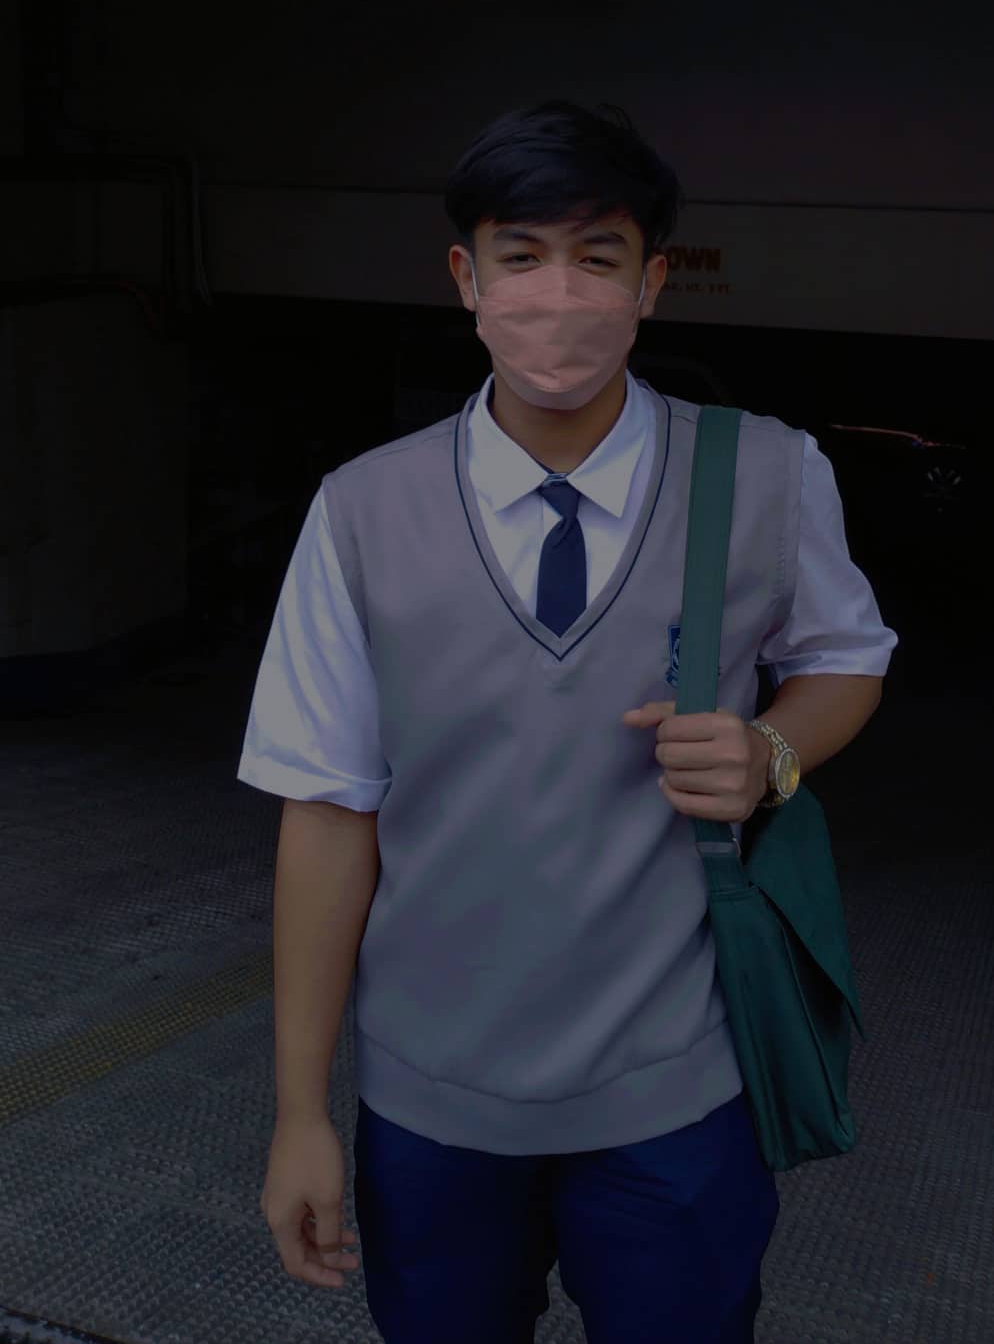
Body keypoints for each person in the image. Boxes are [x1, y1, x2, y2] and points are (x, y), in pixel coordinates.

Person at [238, 97, 897, 1344]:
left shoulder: (765, 471)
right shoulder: (360, 512)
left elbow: (846, 658)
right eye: (522, 255)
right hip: (431, 1100)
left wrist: (771, 749)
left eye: (597, 256)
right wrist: (301, 1111)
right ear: (466, 277)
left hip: (678, 1094)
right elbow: (325, 811)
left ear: (650, 282)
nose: (558, 293)